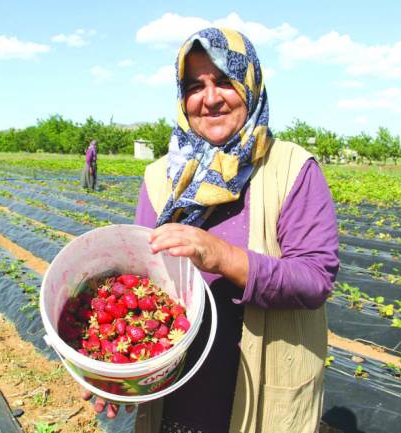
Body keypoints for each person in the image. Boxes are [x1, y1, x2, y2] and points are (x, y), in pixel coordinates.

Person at [86, 27, 339, 433]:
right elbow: (143, 284)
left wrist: (221, 256)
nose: (210, 98)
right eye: (194, 86)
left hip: (258, 382)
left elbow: (314, 278)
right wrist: (117, 369)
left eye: (224, 81)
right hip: (178, 387)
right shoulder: (161, 177)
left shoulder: (293, 169)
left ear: (250, 84)